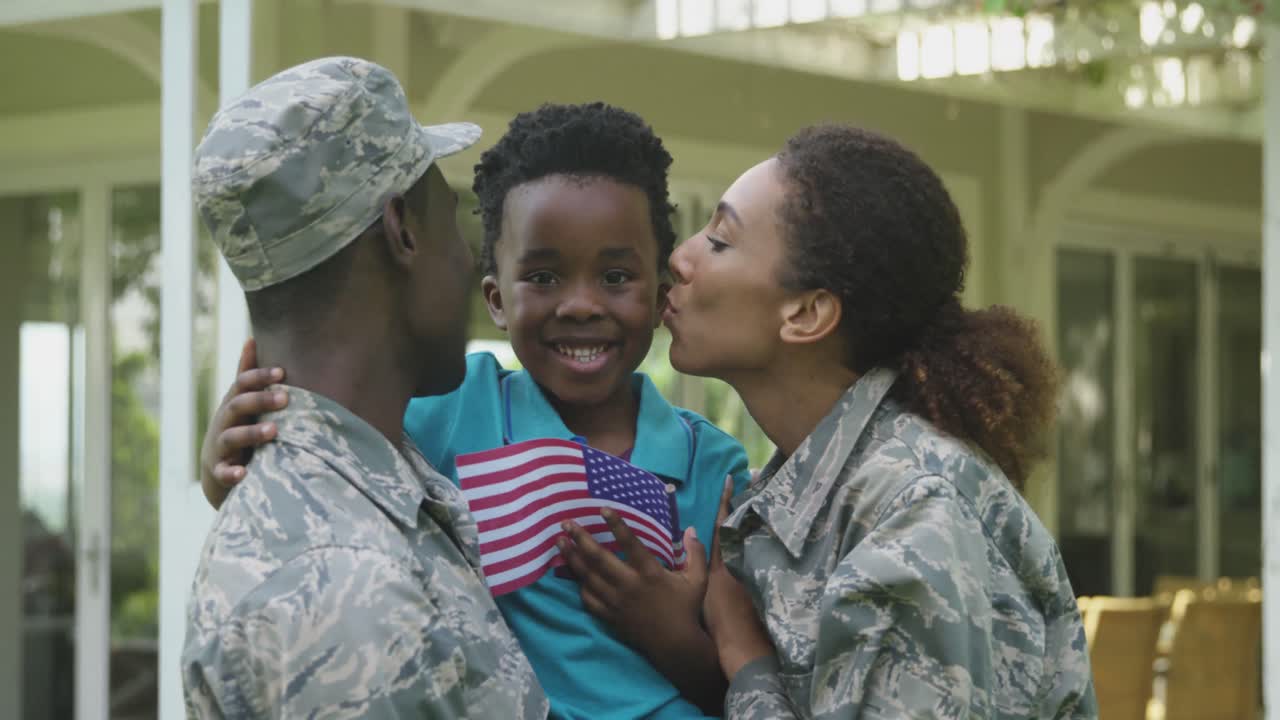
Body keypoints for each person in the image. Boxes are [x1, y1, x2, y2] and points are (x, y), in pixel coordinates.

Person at [198, 102, 752, 719]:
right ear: (494, 298)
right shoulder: (451, 414)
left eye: (616, 276)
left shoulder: (715, 468)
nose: (579, 305)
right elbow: (334, 478)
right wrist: (241, 458)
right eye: (543, 277)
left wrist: (680, 643)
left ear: (659, 295)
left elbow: (758, 683)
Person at [649, 123, 1096, 718]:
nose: (680, 257)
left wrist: (744, 657)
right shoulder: (796, 494)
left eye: (721, 240)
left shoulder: (917, 520)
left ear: (806, 314)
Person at [182, 56, 547, 719]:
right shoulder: (348, 587)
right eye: (453, 217)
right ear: (402, 227)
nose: (470, 259)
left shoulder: (357, 506)